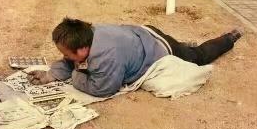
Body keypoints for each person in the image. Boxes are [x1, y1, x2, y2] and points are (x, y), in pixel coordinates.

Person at [27, 17, 242, 97]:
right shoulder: (88, 33)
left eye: (65, 53)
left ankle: (229, 38)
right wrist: (51, 75)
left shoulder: (106, 57)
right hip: (142, 32)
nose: (63, 57)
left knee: (197, 56)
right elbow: (70, 60)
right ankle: (183, 46)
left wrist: (74, 75)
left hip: (158, 48)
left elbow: (102, 89)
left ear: (82, 49)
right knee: (183, 47)